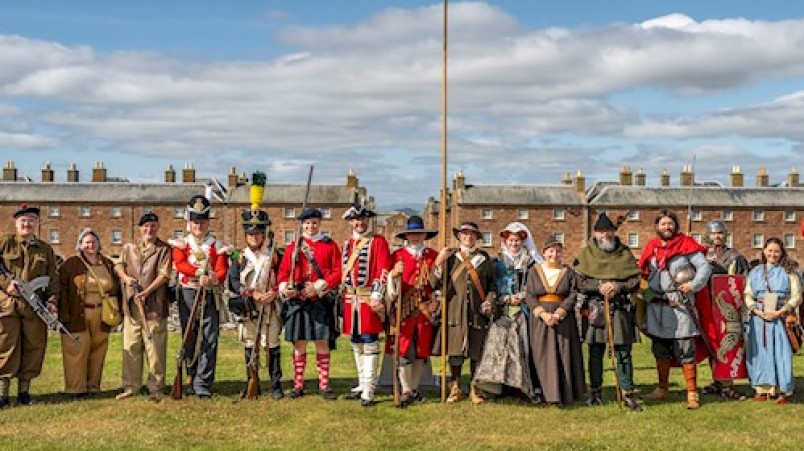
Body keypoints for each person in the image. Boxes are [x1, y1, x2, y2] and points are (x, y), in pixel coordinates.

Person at [637, 210, 712, 410]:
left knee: (686, 350)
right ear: (657, 227)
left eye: (670, 223)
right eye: (663, 224)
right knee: (660, 349)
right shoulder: (652, 248)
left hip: (680, 305)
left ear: (675, 226)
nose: (667, 227)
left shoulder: (686, 245)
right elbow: (643, 274)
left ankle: (692, 393)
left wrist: (693, 286)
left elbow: (704, 268)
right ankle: (662, 388)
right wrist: (646, 295)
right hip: (657, 307)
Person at [574, 213, 642, 411]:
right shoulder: (586, 254)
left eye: (609, 230)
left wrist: (617, 287)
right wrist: (600, 286)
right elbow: (579, 281)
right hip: (595, 308)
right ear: (595, 233)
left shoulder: (624, 252)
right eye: (602, 231)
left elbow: (635, 280)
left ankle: (627, 392)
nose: (606, 234)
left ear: (614, 231)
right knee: (595, 352)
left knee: (623, 353)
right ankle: (595, 393)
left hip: (620, 308)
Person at [277, 207, 341, 401]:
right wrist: (284, 287)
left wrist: (320, 285)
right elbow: (282, 273)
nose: (311, 226)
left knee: (322, 342)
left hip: (320, 299)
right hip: (298, 300)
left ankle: (324, 385)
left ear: (320, 223)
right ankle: (298, 385)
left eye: (314, 222)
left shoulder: (330, 246)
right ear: (302, 224)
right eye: (307, 223)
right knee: (299, 343)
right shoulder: (292, 248)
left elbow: (338, 272)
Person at [473, 222, 542, 402]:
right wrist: (503, 299)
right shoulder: (496, 263)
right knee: (498, 348)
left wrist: (522, 296)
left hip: (523, 310)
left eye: (517, 240)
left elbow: (536, 286)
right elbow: (491, 286)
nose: (514, 244)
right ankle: (496, 387)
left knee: (522, 348)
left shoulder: (531, 263)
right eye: (511, 240)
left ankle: (522, 387)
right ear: (505, 241)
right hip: (501, 311)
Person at [170, 195, 229, 399]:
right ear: (189, 223)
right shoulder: (181, 244)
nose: (199, 226)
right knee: (189, 336)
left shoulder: (216, 245)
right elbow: (180, 264)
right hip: (188, 292)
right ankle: (191, 375)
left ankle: (203, 382)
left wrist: (213, 278)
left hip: (208, 294)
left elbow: (222, 270)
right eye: (195, 222)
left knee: (209, 337)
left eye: (202, 222)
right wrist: (198, 274)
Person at [0, 204, 59, 408]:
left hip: (35, 307)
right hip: (8, 306)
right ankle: (3, 394)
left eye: (31, 220)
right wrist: (7, 284)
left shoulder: (45, 249)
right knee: (6, 347)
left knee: (33, 348)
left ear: (37, 223)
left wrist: (51, 303)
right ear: (16, 223)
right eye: (23, 220)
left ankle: (24, 392)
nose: (27, 224)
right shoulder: (5, 244)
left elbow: (53, 279)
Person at [431, 221, 497, 405]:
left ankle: (474, 389)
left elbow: (492, 286)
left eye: (472, 234)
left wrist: (489, 302)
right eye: (464, 233)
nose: (468, 237)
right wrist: (439, 261)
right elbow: (434, 283)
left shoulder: (483, 259)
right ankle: (455, 387)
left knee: (476, 352)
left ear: (477, 237)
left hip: (476, 313)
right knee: (455, 353)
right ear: (459, 236)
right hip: (454, 311)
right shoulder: (450, 258)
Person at [114, 212, 172, 400]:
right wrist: (127, 279)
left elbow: (164, 275)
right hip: (132, 307)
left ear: (158, 227)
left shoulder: (164, 249)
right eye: (146, 226)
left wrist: (147, 292)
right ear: (140, 228)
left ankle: (156, 387)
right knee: (131, 346)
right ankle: (131, 387)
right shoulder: (129, 247)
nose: (149, 229)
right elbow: (118, 266)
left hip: (154, 307)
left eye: (153, 226)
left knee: (155, 349)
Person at [58, 228, 121, 399]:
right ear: (80, 245)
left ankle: (93, 386)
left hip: (102, 313)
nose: (90, 245)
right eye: (86, 242)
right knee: (77, 349)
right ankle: (76, 388)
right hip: (78, 312)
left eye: (93, 242)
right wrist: (63, 314)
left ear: (99, 244)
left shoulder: (107, 263)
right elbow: (62, 290)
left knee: (98, 350)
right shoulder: (71, 264)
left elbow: (116, 286)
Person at [339, 199, 391, 407]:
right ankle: (362, 383)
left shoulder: (378, 241)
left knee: (370, 342)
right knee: (356, 341)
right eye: (356, 219)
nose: (360, 223)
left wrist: (377, 294)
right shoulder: (347, 244)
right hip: (351, 300)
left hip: (369, 298)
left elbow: (383, 268)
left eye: (363, 219)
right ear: (351, 222)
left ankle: (369, 388)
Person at [227, 207, 282, 399]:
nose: (254, 237)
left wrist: (273, 293)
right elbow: (232, 281)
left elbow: (283, 278)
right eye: (251, 233)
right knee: (250, 344)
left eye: (258, 233)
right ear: (246, 234)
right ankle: (252, 380)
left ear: (264, 234)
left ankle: (275, 384)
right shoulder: (237, 256)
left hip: (270, 306)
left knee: (272, 344)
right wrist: (250, 293)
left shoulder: (274, 254)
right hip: (248, 306)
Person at [385, 215, 439, 407]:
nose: (415, 237)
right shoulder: (397, 256)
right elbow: (387, 284)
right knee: (404, 351)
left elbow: (439, 284)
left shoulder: (433, 255)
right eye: (411, 234)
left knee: (421, 352)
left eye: (418, 234)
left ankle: (414, 389)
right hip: (404, 311)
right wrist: (394, 274)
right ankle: (406, 389)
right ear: (406, 236)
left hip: (425, 311)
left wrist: (436, 301)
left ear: (424, 235)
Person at [525, 235, 585, 406]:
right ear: (544, 253)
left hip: (563, 319)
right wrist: (542, 314)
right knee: (542, 355)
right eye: (551, 251)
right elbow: (529, 295)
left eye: (558, 251)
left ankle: (564, 393)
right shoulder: (534, 271)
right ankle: (544, 393)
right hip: (540, 319)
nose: (554, 254)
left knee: (563, 354)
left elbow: (573, 293)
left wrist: (559, 313)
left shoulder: (569, 272)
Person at [744, 238, 802, 404]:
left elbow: (796, 296)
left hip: (780, 318)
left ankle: (783, 391)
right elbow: (748, 294)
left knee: (781, 353)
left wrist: (781, 311)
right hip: (759, 319)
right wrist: (756, 310)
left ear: (782, 252)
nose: (773, 254)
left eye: (776, 251)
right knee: (760, 353)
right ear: (764, 251)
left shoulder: (789, 272)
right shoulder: (755, 272)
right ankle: (763, 389)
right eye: (770, 250)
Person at [701, 220, 750, 401]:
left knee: (727, 346)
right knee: (711, 345)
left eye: (720, 233)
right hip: (708, 306)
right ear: (708, 235)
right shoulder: (703, 257)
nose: (717, 237)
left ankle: (728, 384)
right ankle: (718, 380)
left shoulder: (735, 257)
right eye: (713, 233)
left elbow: (743, 282)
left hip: (728, 309)